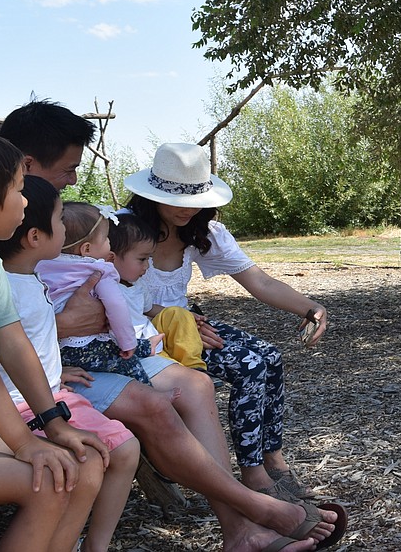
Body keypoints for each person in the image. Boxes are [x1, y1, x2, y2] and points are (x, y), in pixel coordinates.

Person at [0, 100, 346, 551]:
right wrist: (66, 336)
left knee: (214, 380)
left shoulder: (180, 233)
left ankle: (254, 491)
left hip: (140, 336)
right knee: (160, 403)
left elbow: (253, 279)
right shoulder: (67, 231)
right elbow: (16, 323)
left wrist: (306, 306)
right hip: (83, 354)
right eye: (69, 169)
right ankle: (252, 509)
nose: (74, 179)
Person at [124, 142, 329, 500]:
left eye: (195, 201)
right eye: (177, 200)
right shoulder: (122, 232)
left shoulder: (203, 234)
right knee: (250, 366)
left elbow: (259, 281)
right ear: (151, 195)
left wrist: (309, 307)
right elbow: (111, 296)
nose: (188, 210)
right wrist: (173, 319)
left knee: (270, 357)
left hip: (188, 328)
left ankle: (274, 459)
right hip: (140, 334)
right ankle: (252, 475)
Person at [0, 175, 140, 552]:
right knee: (98, 457)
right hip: (18, 404)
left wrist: (53, 370)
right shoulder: (3, 285)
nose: (63, 229)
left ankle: (91, 544)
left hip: (42, 391)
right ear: (35, 237)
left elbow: (30, 345)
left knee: (122, 450)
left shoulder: (27, 276)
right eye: (59, 220)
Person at [0, 134, 106, 552]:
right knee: (47, 478)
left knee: (75, 466)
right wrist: (26, 443)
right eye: (16, 189)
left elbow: (12, 339)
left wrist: (53, 422)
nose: (26, 201)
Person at [37, 202, 157, 385]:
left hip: (53, 351)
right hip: (88, 344)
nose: (110, 244)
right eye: (107, 239)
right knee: (129, 363)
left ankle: (147, 346)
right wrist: (127, 343)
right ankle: (152, 392)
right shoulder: (98, 270)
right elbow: (116, 305)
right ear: (86, 249)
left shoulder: (42, 266)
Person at [110, 212, 207, 371]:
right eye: (142, 259)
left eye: (148, 259)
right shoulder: (105, 288)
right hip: (133, 350)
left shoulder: (137, 284)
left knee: (178, 313)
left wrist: (188, 318)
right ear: (110, 259)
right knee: (168, 367)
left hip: (152, 338)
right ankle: (180, 371)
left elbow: (149, 308)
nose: (147, 266)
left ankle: (193, 365)